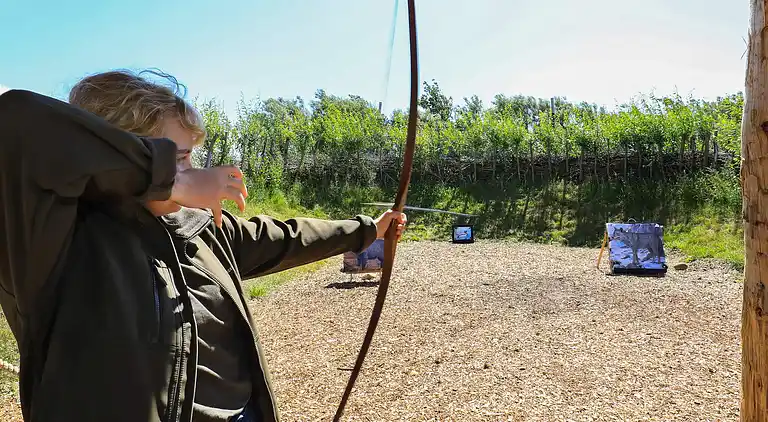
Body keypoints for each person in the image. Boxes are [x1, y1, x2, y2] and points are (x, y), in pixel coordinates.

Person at [0, 69, 407, 422]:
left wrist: (368, 229)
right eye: (176, 158)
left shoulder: (198, 226)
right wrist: (168, 179)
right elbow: (14, 121)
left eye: (187, 159)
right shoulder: (54, 239)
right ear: (116, 152)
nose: (194, 173)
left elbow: (283, 237)